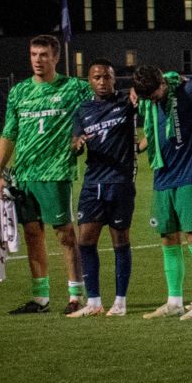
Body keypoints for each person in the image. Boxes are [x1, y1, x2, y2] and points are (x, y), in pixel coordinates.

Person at [0, 35, 90, 316]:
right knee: (33, 235)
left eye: (44, 55)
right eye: (34, 54)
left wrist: (80, 138)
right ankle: (41, 298)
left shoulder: (74, 88)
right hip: (23, 175)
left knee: (65, 235)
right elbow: (9, 133)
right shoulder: (19, 92)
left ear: (56, 58)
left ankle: (75, 295)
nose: (38, 60)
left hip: (55, 172)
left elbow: (99, 105)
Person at [130, 62, 192, 319]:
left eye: (155, 95)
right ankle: (174, 301)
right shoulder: (148, 99)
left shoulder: (190, 90)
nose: (152, 100)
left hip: (191, 174)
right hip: (163, 175)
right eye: (146, 97)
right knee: (168, 238)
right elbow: (156, 127)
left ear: (162, 83)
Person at [70, 59, 136, 316]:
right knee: (85, 241)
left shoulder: (125, 103)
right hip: (93, 183)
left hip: (120, 183)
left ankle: (120, 302)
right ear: (89, 81)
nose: (102, 82)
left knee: (120, 240)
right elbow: (75, 142)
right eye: (96, 77)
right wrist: (77, 145)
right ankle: (94, 302)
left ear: (114, 79)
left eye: (106, 77)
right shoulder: (83, 109)